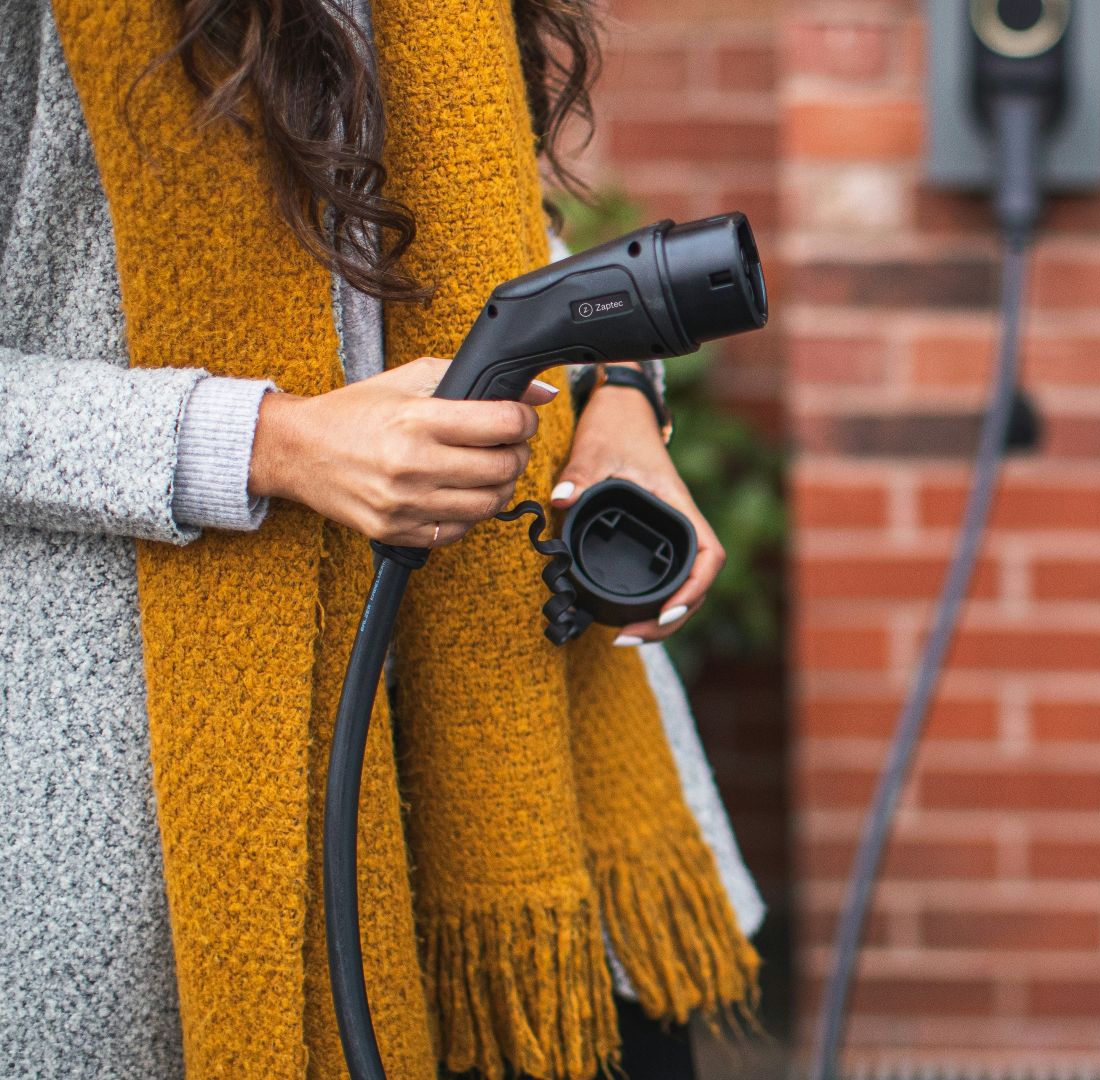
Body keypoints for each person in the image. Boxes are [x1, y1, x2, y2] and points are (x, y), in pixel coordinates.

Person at [0, 1, 761, 1076]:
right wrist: (273, 443)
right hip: (167, 801)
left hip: (524, 743)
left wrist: (622, 400)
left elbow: (497, 242)